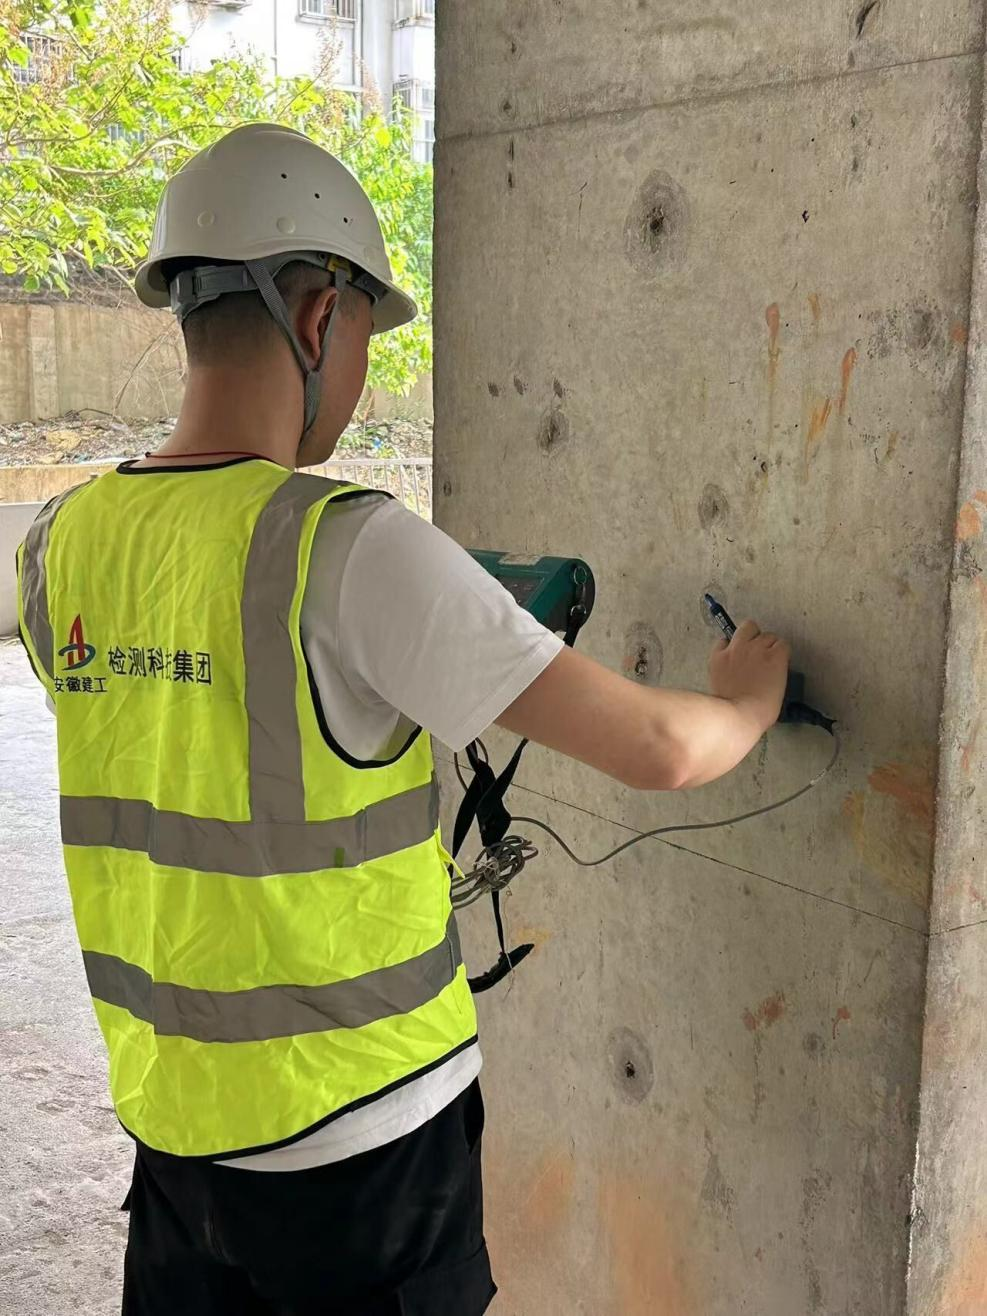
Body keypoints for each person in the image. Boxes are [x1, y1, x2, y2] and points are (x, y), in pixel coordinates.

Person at [15, 123, 790, 1316]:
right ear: (319, 315)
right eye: (368, 339)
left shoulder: (57, 545)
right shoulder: (350, 548)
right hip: (362, 1148)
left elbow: (192, 717)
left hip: (173, 1133)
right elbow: (665, 747)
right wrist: (749, 693)